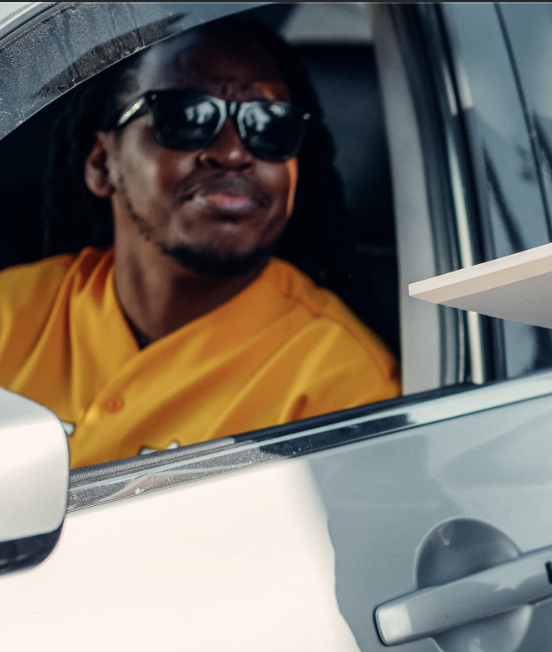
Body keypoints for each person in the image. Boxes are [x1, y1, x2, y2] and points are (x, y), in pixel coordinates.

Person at [0, 19, 400, 469]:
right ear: (101, 163)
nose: (231, 153)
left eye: (268, 125)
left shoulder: (341, 380)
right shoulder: (12, 311)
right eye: (185, 116)